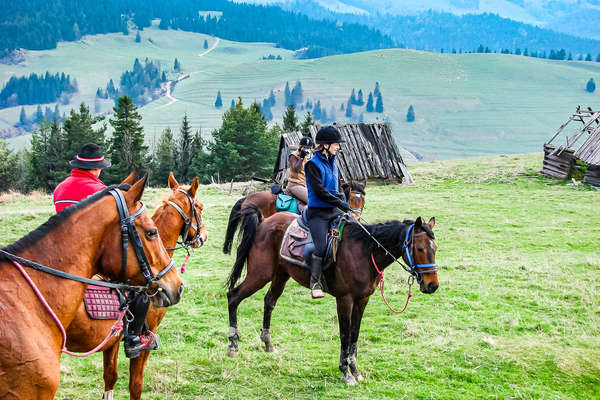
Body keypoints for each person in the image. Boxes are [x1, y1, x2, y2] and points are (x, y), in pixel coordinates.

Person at [53, 143, 157, 359]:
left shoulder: (59, 189)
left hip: (59, 253)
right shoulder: (100, 192)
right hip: (90, 255)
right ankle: (134, 338)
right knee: (139, 286)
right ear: (96, 168)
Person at [305, 126, 351, 299]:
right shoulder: (312, 164)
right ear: (325, 145)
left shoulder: (333, 161)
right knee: (322, 247)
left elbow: (336, 186)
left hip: (334, 211)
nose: (338, 146)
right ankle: (315, 282)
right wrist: (340, 202)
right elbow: (320, 192)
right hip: (318, 213)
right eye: (336, 144)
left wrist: (342, 200)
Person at [284, 136, 313, 204]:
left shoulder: (309, 156)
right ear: (300, 146)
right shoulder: (293, 155)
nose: (306, 149)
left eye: (308, 148)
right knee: (313, 202)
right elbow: (296, 169)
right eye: (304, 147)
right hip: (295, 185)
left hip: (305, 185)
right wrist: (301, 158)